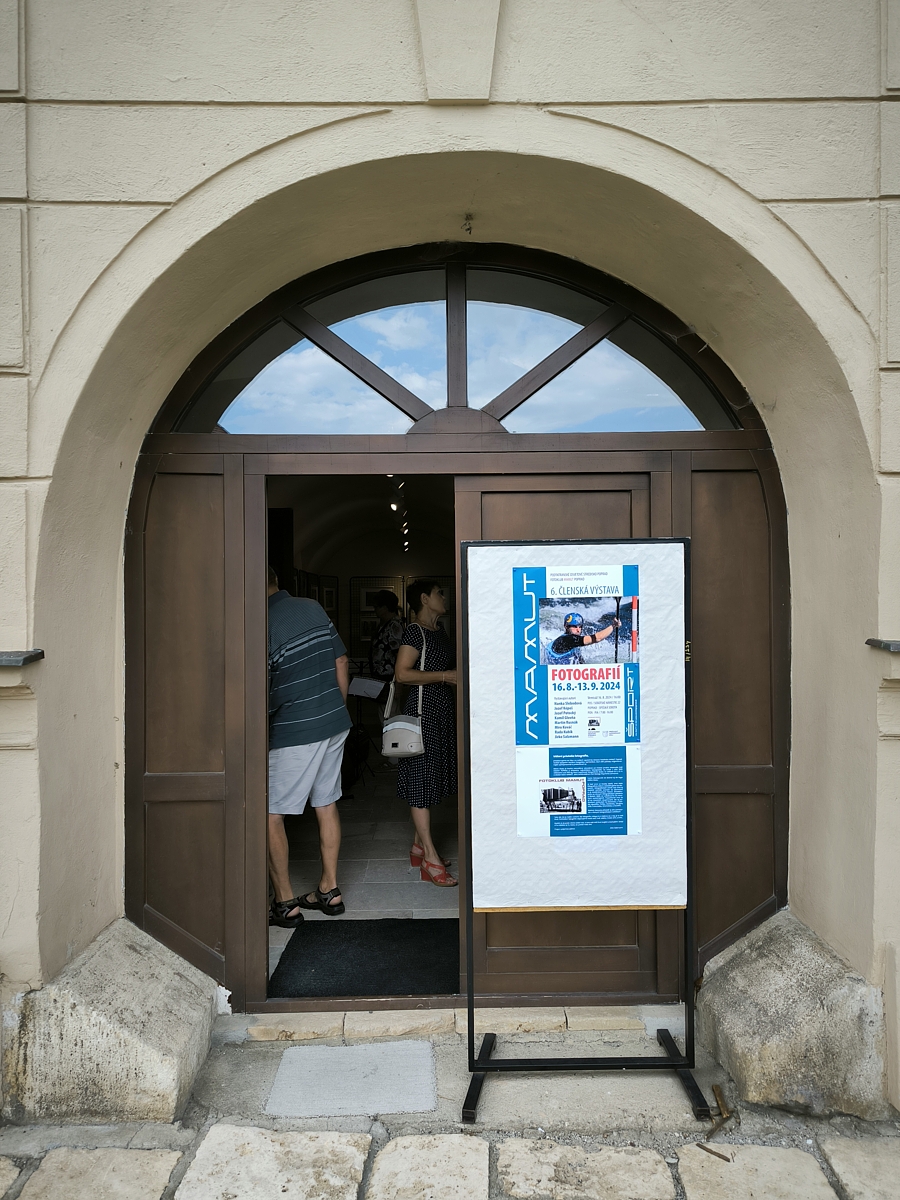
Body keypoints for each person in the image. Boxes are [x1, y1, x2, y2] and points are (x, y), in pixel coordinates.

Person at [267, 565, 351, 925]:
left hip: (295, 729)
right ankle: (329, 890)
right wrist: (336, 709)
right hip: (333, 721)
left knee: (269, 815)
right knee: (326, 803)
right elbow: (341, 660)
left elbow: (262, 683)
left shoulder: (260, 622)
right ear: (277, 581)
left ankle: (285, 903)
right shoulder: (313, 607)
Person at [394, 579, 458, 886]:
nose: (443, 597)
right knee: (421, 780)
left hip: (441, 711)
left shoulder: (439, 631)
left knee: (432, 777)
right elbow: (402, 673)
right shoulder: (414, 631)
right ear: (423, 598)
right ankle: (430, 859)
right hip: (422, 714)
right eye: (438, 593)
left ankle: (418, 846)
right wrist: (445, 676)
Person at [545, 611, 621, 666]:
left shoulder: (573, 642)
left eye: (580, 627)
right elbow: (597, 638)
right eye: (574, 627)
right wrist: (613, 626)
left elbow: (581, 662)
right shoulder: (566, 640)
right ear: (566, 626)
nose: (578, 630)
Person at [369, 589, 404, 681]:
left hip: (389, 677)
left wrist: (399, 682)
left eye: (376, 607)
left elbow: (399, 655)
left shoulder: (394, 625)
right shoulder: (383, 624)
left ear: (385, 607)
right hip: (380, 676)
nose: (374, 610)